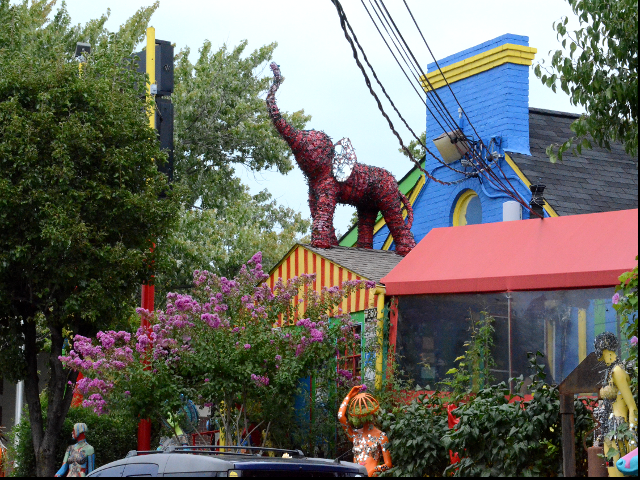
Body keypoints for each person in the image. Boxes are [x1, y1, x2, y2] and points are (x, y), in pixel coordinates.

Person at [594, 332, 638, 477]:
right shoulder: (609, 371)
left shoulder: (617, 371)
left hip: (619, 429)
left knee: (618, 471)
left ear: (602, 345)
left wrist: (632, 436)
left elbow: (632, 406)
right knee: (609, 465)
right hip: (608, 430)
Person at [338, 385, 392, 477]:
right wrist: (349, 396)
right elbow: (340, 416)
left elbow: (388, 464)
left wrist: (373, 471)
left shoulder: (381, 436)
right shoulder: (355, 435)